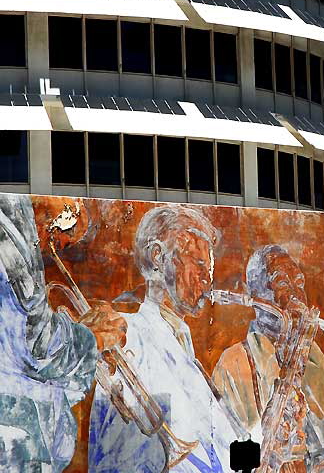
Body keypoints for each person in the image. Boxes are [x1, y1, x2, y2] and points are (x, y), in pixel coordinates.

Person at [88, 205, 237, 472]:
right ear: (158, 256)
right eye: (200, 264)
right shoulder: (127, 334)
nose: (208, 280)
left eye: (210, 269)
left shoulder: (187, 351)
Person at [0, 194, 125, 472]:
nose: (51, 248)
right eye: (58, 238)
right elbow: (37, 344)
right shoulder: (11, 227)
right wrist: (93, 339)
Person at [212, 244, 324, 470]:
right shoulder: (233, 363)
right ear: (256, 295)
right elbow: (224, 456)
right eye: (282, 283)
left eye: (299, 283)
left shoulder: (315, 357)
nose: (296, 294)